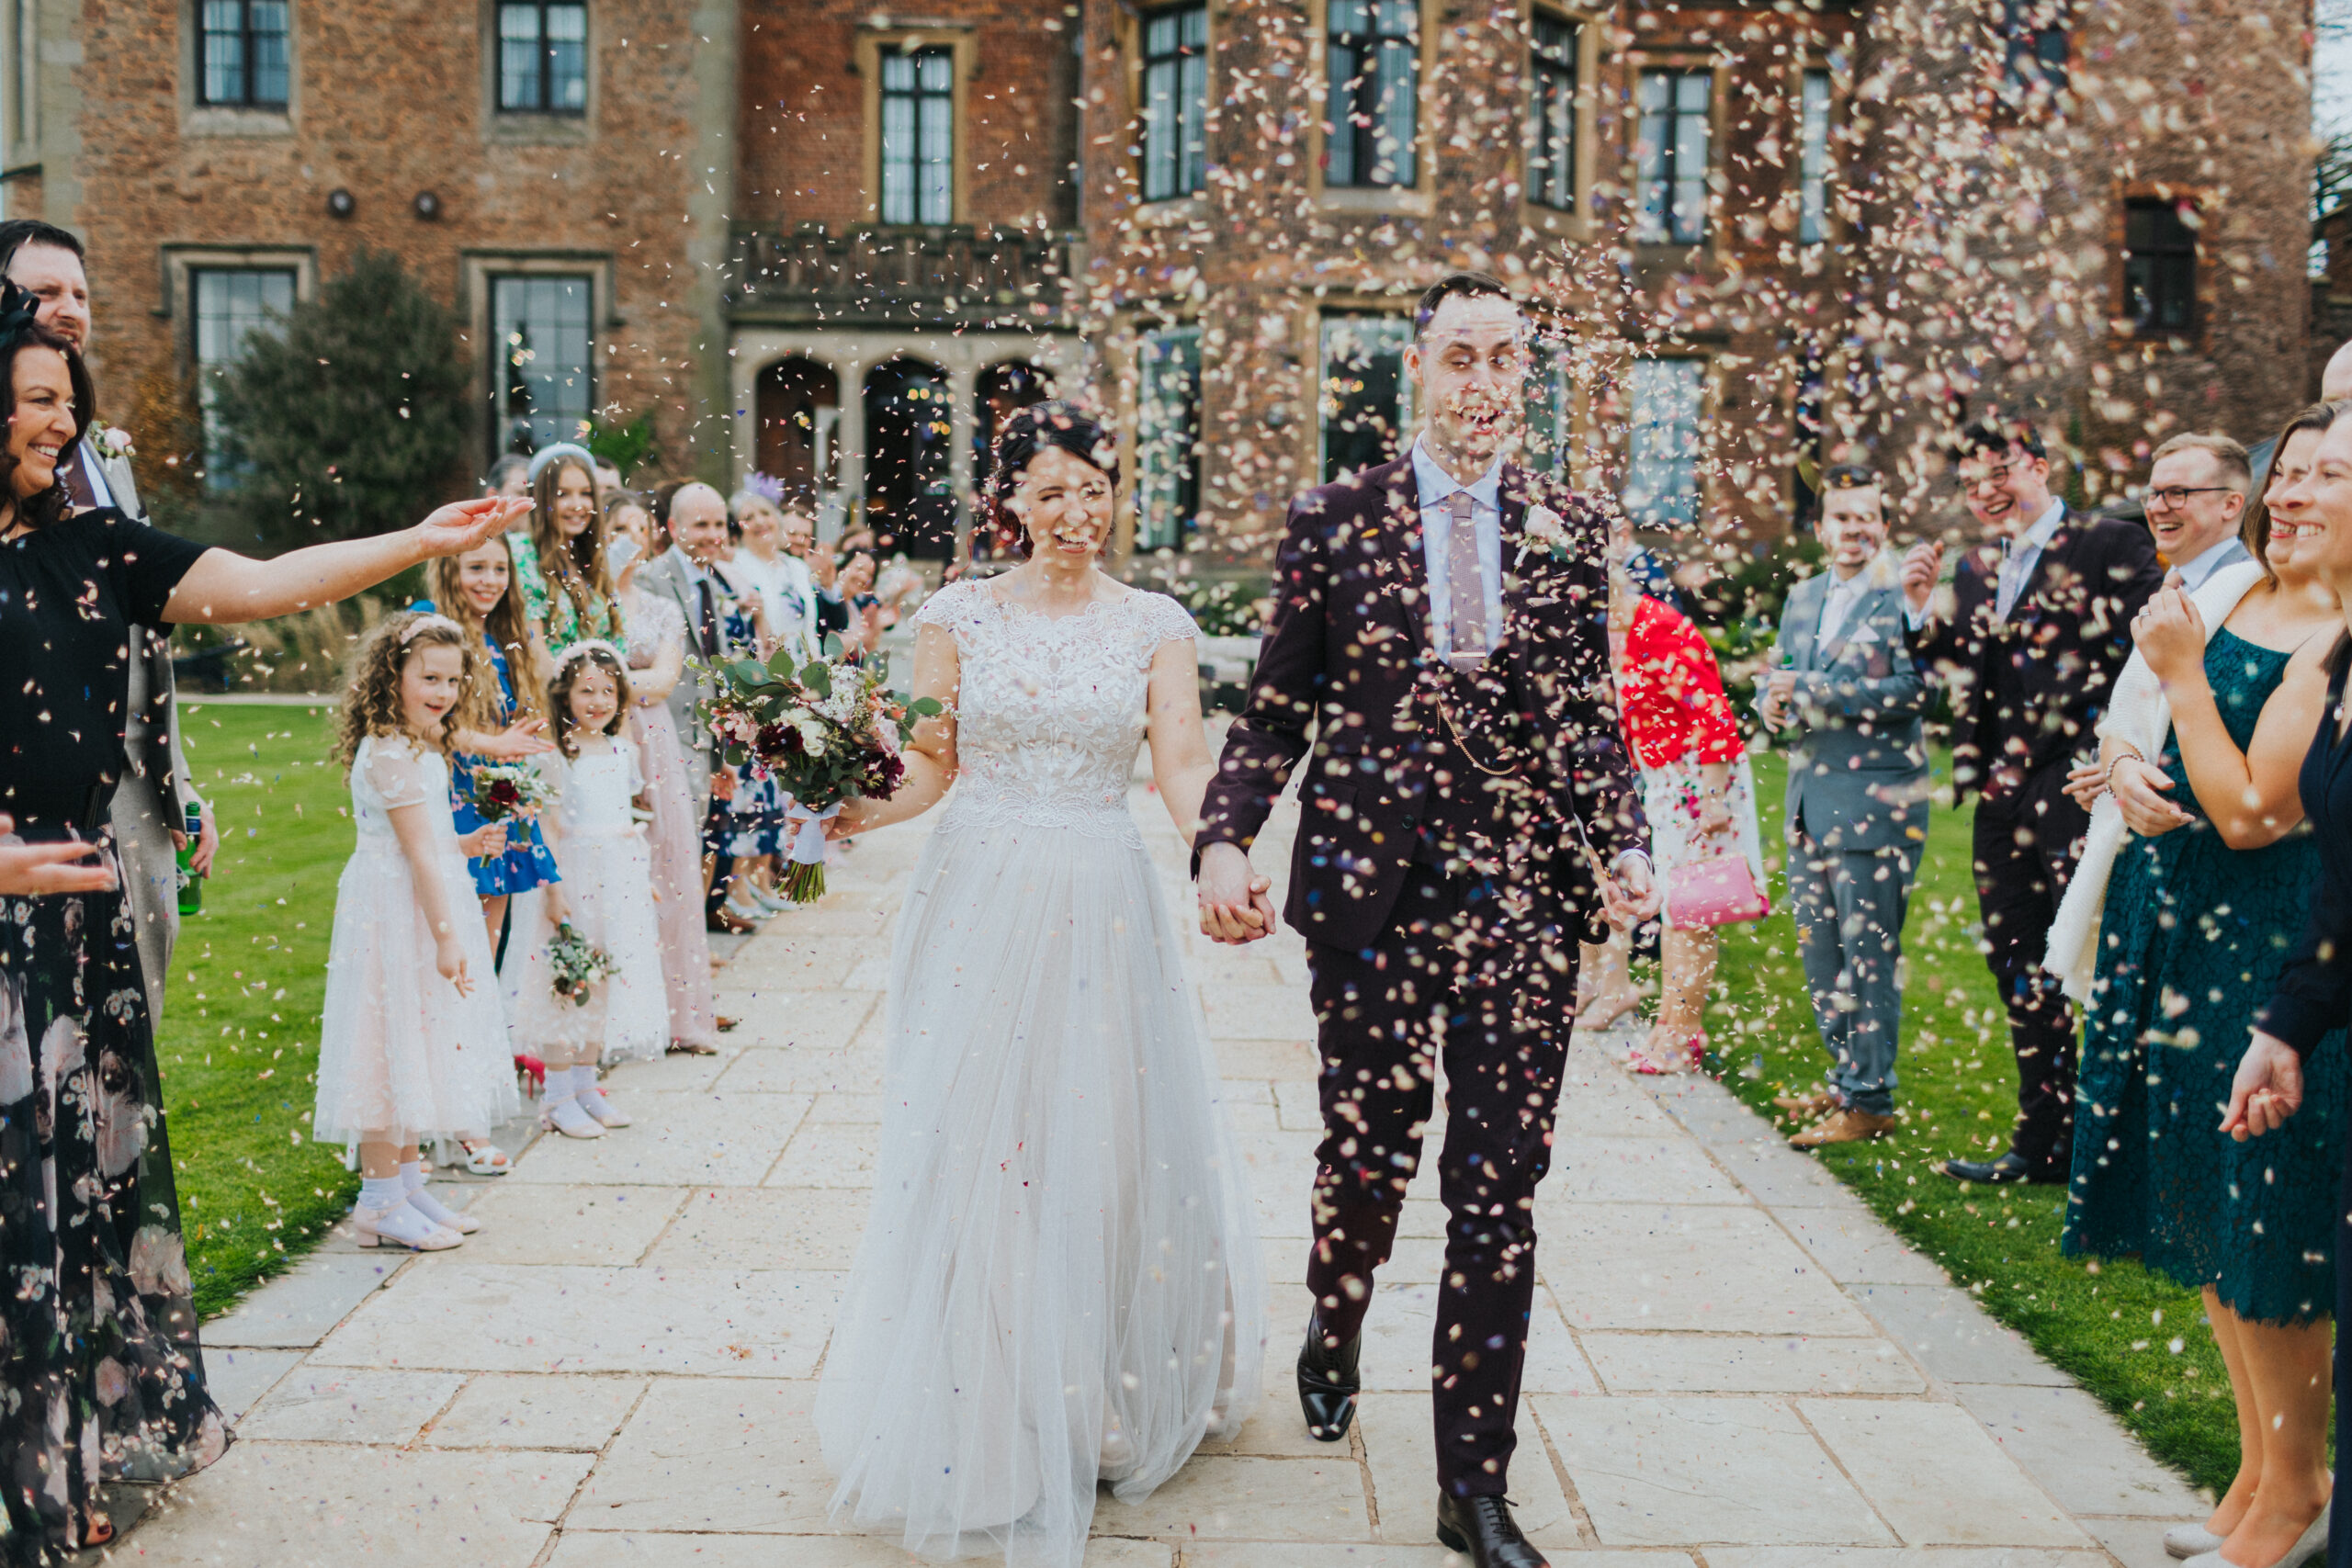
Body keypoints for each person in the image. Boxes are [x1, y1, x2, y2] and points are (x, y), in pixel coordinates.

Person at [0, 276, 529, 1554]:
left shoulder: (93, 552)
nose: (56, 426)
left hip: (80, 951)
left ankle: (58, 1467)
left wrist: (415, 538)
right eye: (30, 400)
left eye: (67, 406)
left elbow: (266, 580)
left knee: (72, 1217)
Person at [1196, 273, 1654, 1568]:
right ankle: (1334, 1320)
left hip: (1515, 897)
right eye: (1463, 355)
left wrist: (1621, 840)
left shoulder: (1568, 525)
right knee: (1368, 1162)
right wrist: (1227, 831)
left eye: (1509, 358)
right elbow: (1279, 705)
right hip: (1375, 901)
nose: (1487, 383)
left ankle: (1474, 1483)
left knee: (1499, 1186)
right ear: (1418, 365)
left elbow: (1583, 715)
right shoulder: (1338, 518)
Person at [814, 402, 1264, 1564]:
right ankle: (992, 1416)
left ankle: (1101, 1387)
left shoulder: (1156, 622)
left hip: (1100, 898)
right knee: (978, 1143)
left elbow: (1179, 759)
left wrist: (1218, 848)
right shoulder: (954, 614)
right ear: (1009, 498)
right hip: (976, 898)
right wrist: (852, 801)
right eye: (1054, 489)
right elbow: (930, 762)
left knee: (1104, 1146)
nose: (1079, 511)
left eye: (1095, 487)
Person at [2059, 402, 2345, 1568]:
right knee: (2208, 1218)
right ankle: (2258, 1471)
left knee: (2267, 1228)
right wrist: (2126, 759)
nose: (2289, 494)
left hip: (2266, 946)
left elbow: (2249, 811)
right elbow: (2137, 734)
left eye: (2324, 477)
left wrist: (2176, 677)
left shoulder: (2333, 638)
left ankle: (2294, 1494)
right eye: (2287, 473)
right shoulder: (2244, 598)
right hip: (2175, 932)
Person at [1902, 417, 2165, 1185]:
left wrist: (2118, 754)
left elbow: (2157, 649)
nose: (1987, 491)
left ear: (2041, 467)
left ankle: (2121, 1153)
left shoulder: (2108, 542)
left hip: (2082, 784)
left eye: (2002, 471)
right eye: (1972, 480)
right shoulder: (1978, 567)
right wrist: (1923, 608)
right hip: (2000, 798)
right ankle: (2045, 1140)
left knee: (2105, 961)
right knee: (2020, 965)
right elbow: (1961, 666)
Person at [3, 218, 217, 1023]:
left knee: (132, 1021)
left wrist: (182, 782)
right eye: (43, 290)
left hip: (136, 786)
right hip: (32, 787)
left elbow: (144, 636)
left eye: (81, 294)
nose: (68, 308)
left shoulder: (104, 455)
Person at [314, 613, 519, 1249]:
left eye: (453, 680)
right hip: (395, 913)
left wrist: (467, 841)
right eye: (428, 676)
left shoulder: (419, 745)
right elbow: (417, 856)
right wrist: (450, 938)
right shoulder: (392, 753)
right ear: (391, 674)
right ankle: (378, 1200)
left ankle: (404, 1186)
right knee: (386, 1045)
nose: (442, 691)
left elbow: (430, 843)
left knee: (416, 1045)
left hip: (415, 898)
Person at [1757, 467, 1929, 1145]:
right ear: (1821, 527)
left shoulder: (1906, 599)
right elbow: (1779, 678)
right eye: (1841, 518)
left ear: (1884, 526)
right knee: (1820, 956)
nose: (1854, 530)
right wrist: (1771, 702)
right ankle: (1845, 1079)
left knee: (1868, 957)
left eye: (1867, 518)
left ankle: (1871, 1100)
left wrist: (1813, 688)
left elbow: (1918, 691)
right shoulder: (1802, 595)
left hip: (1875, 804)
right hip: (1808, 802)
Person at [1576, 545, 1762, 1076]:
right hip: (1662, 778)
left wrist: (1712, 802)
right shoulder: (1614, 630)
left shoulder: (1659, 625)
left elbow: (1715, 716)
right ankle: (1669, 1030)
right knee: (1676, 909)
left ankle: (1681, 1036)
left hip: (1702, 779)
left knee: (1691, 912)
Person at [508, 641, 665, 1135]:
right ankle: (556, 1096)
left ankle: (585, 1085)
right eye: (585, 691)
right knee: (566, 981)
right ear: (564, 695)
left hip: (617, 875)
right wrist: (554, 890)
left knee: (603, 979)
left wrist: (642, 879)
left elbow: (626, 816)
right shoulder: (558, 753)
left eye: (608, 690)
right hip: (573, 873)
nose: (597, 701)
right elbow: (549, 827)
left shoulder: (623, 749)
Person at [607, 492, 722, 1054]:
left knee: (669, 868)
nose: (630, 540)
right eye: (617, 530)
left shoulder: (660, 610)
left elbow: (665, 680)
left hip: (656, 744)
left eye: (638, 529)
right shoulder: (582, 606)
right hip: (600, 743)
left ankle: (679, 1014)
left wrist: (598, 686)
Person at [636, 481, 755, 935]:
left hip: (706, 740)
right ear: (673, 527)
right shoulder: (652, 579)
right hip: (666, 730)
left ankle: (689, 947)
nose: (712, 534)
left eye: (719, 524)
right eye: (700, 524)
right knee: (671, 848)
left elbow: (715, 665)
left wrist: (725, 751)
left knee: (702, 843)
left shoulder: (715, 580)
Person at [430, 536, 560, 952]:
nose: (490, 580)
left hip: (500, 792)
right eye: (476, 568)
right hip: (447, 790)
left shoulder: (507, 634)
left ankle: (480, 1015)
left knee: (489, 936)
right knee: (447, 930)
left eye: (500, 569)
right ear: (450, 570)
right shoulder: (430, 626)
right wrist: (493, 744)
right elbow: (418, 721)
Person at [510, 443, 624, 664]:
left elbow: (619, 642)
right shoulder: (521, 553)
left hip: (604, 691)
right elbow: (536, 656)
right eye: (562, 495)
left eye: (586, 494)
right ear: (542, 499)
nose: (577, 505)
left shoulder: (595, 558)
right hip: (550, 692)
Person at [2145, 433, 2256, 589]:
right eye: (2153, 494)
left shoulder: (2255, 588)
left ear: (2230, 505)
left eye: (2177, 493)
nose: (2156, 508)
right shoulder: (2172, 582)